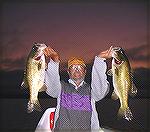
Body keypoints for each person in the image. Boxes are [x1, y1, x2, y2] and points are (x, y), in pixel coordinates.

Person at [40, 46, 112, 131]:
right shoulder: (61, 88)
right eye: (73, 67)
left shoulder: (92, 91)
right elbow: (51, 88)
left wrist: (100, 60)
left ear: (85, 71)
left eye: (80, 67)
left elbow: (100, 92)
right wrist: (54, 61)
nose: (76, 69)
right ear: (68, 72)